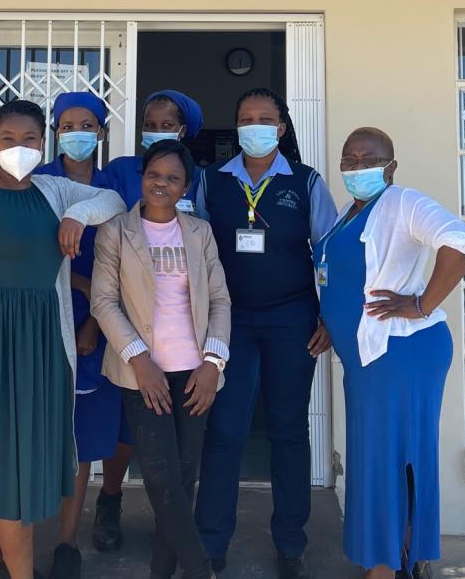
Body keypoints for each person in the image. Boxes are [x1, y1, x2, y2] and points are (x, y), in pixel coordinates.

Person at [0, 99, 126, 579]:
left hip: (42, 351)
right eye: (8, 140)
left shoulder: (55, 190)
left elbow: (115, 202)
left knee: (10, 480)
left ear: (45, 144)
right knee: (0, 481)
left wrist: (78, 214)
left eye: (30, 139)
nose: (18, 148)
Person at [315, 128, 465, 579]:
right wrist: (331, 320)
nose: (356, 165)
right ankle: (401, 556)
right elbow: (340, 277)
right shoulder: (350, 212)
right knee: (377, 457)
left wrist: (422, 303)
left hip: (401, 354)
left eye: (369, 157)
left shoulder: (403, 202)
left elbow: (460, 241)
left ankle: (388, 565)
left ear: (391, 166)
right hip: (369, 361)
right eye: (349, 158)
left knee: (391, 458)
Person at [193, 88, 337, 579]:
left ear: (281, 127)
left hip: (292, 319)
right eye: (245, 117)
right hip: (229, 322)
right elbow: (195, 254)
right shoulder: (212, 182)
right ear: (235, 126)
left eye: (265, 118)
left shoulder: (307, 181)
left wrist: (329, 317)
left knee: (290, 431)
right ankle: (211, 544)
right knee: (225, 432)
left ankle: (291, 544)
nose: (255, 125)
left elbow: (328, 255)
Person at [91, 140, 232, 579]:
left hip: (194, 373)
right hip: (143, 374)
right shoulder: (117, 231)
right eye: (155, 174)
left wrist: (213, 363)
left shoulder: (199, 232)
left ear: (185, 185)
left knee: (182, 477)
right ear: (142, 177)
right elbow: (103, 301)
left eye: (173, 178)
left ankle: (162, 571)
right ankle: (199, 568)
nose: (161, 183)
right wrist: (139, 359)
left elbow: (220, 300)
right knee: (159, 478)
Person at [95, 87, 203, 547]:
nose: (155, 130)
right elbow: (98, 212)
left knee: (179, 442)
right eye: (150, 122)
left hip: (184, 335)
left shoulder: (200, 179)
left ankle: (171, 528)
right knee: (125, 428)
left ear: (185, 130)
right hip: (125, 319)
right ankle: (110, 500)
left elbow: (208, 254)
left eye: (166, 124)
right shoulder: (120, 170)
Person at [32, 91, 129, 579]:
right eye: (67, 124)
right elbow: (31, 255)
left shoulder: (114, 187)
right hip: (43, 319)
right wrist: (83, 286)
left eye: (86, 124)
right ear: (54, 132)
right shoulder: (38, 182)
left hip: (98, 326)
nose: (77, 132)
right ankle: (20, 537)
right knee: (34, 434)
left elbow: (123, 260)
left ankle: (67, 540)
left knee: (84, 440)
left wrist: (94, 318)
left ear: (101, 132)